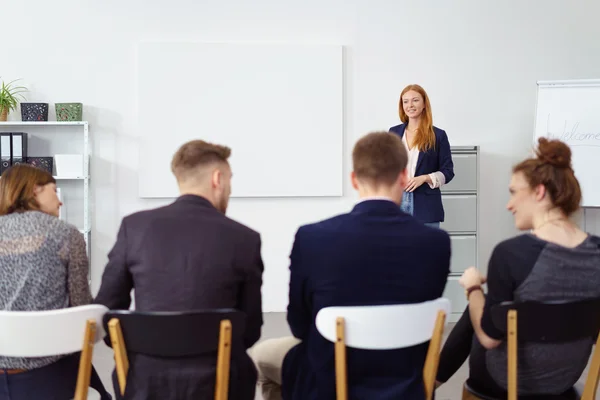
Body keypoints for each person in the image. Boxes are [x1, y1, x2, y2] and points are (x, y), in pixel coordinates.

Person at [250, 131, 451, 400]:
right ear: (404, 177)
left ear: (354, 179)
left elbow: (299, 326)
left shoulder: (312, 237)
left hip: (329, 382)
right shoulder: (436, 242)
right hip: (405, 382)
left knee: (263, 356)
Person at [94, 140, 264, 400]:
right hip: (219, 383)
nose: (230, 189)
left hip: (144, 382)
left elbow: (106, 310)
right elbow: (250, 330)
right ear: (217, 178)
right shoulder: (244, 238)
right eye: (229, 180)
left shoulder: (134, 228)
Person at [436, 138, 600, 397]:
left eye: (513, 192)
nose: (508, 205)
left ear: (540, 192)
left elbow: (489, 339)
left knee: (479, 303)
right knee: (493, 305)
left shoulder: (511, 253)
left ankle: (428, 384)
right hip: (564, 381)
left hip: (507, 382)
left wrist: (473, 287)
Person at [0, 164, 110, 400]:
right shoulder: (66, 234)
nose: (59, 201)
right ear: (34, 190)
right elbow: (82, 309)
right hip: (48, 374)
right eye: (54, 190)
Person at [389, 84, 454, 228]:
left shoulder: (438, 135)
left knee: (426, 250)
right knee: (396, 249)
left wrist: (424, 178)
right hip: (397, 202)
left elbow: (448, 172)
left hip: (426, 206)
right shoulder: (393, 133)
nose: (410, 105)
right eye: (405, 101)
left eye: (415, 100)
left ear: (424, 104)